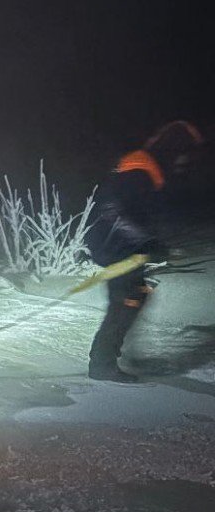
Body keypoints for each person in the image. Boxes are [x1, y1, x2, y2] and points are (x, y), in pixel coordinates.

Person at [84, 120, 204, 382]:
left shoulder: (146, 167)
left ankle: (113, 357)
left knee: (135, 297)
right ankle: (102, 365)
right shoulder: (140, 169)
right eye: (184, 154)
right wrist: (147, 242)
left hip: (122, 244)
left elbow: (136, 210)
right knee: (126, 301)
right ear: (173, 149)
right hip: (117, 246)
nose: (184, 162)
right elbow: (113, 210)